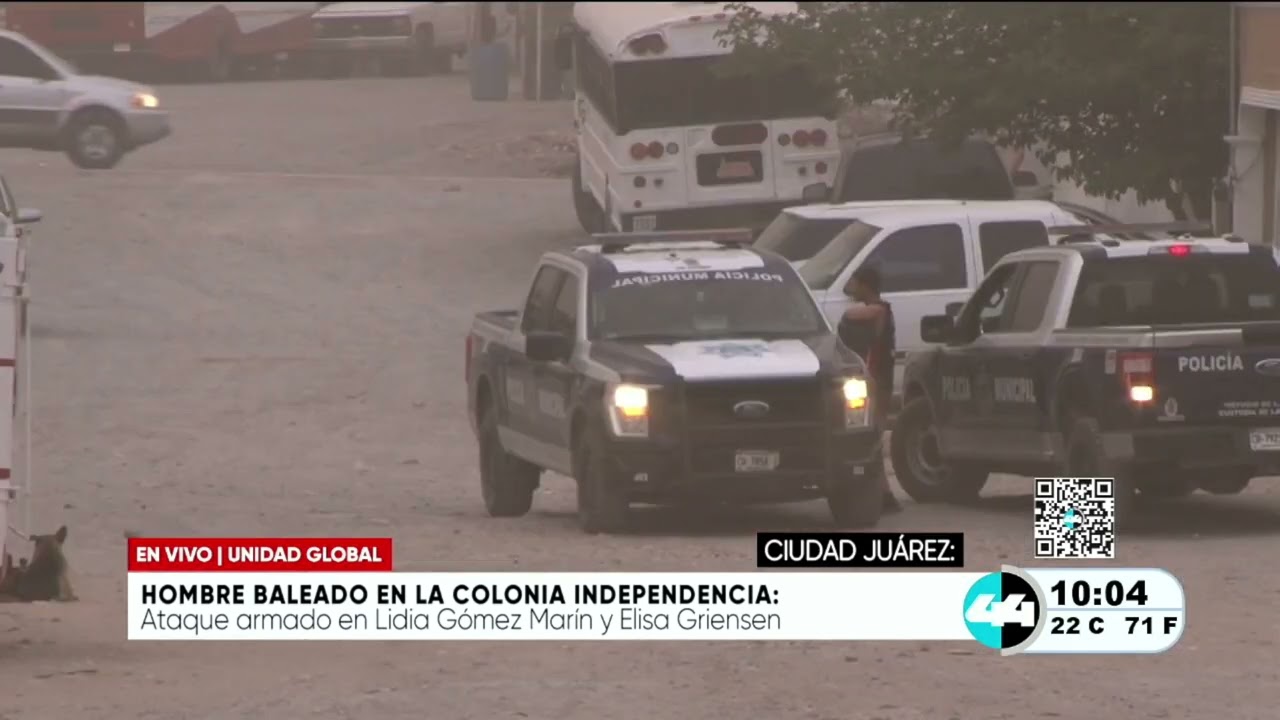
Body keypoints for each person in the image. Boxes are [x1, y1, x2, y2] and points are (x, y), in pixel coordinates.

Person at [837, 265, 903, 513]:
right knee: (872, 436)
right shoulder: (878, 310)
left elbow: (851, 315)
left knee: (872, 438)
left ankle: (884, 494)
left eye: (855, 282)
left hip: (878, 383)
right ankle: (884, 493)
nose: (851, 288)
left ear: (865, 285)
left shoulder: (878, 310)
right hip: (877, 381)